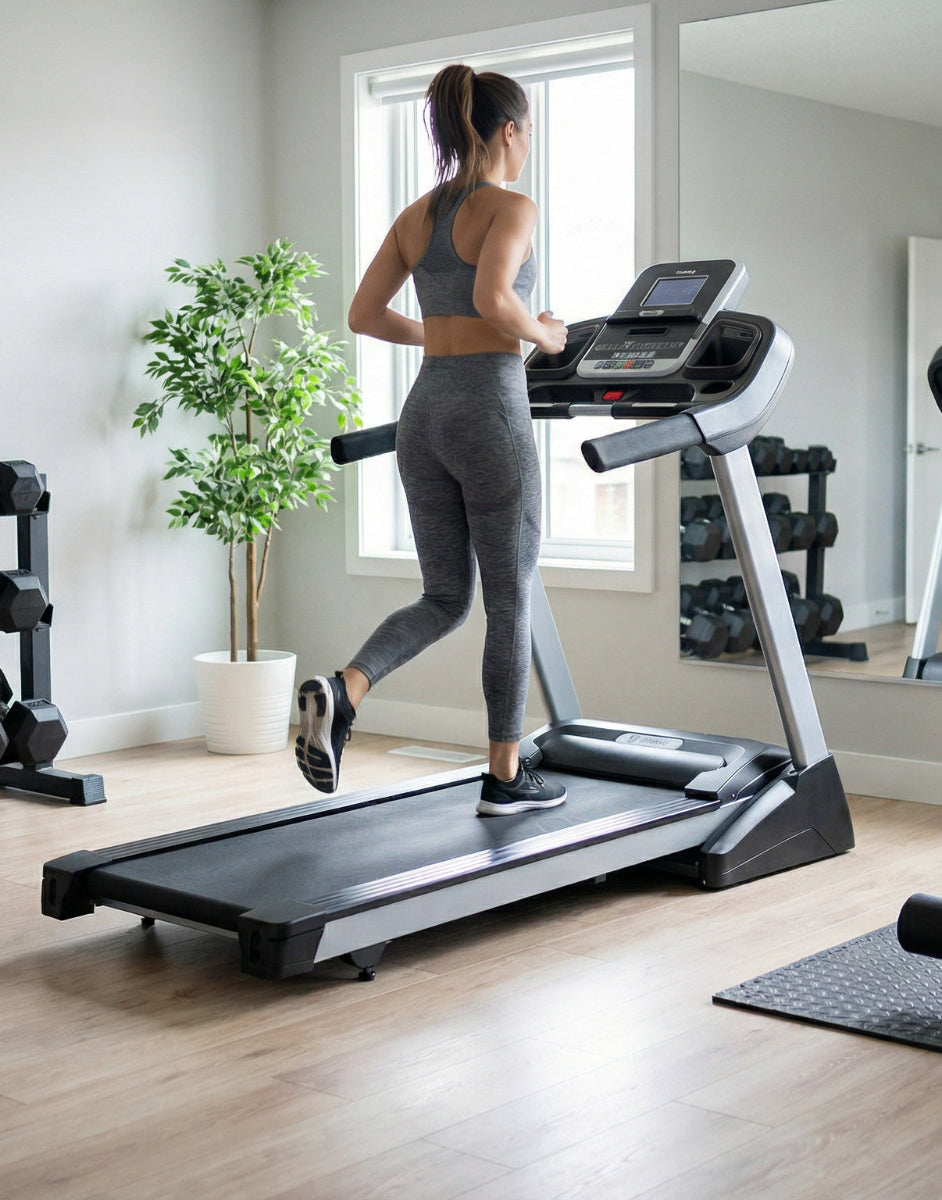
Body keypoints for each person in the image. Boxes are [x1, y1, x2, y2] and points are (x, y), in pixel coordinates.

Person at [296, 63, 568, 816]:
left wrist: (438, 334)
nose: (529, 144)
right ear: (508, 130)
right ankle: (505, 778)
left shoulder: (417, 215)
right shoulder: (513, 206)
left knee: (446, 596)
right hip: (488, 409)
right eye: (529, 130)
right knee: (507, 603)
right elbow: (494, 295)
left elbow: (363, 313)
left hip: (425, 412)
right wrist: (541, 337)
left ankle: (344, 692)